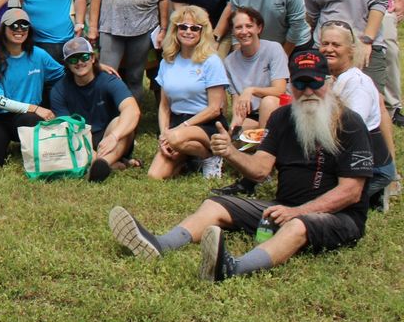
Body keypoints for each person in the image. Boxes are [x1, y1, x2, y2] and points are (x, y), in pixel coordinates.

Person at [109, 49, 374, 283]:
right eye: (301, 83)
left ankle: (233, 268)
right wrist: (231, 152)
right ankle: (160, 244)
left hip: (339, 217)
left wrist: (299, 212)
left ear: (328, 82)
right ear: (291, 86)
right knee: (215, 204)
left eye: (315, 83)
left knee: (298, 226)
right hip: (283, 206)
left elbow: (350, 192)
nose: (308, 91)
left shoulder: (349, 124)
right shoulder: (282, 118)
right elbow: (260, 170)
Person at [211, 6, 290, 198]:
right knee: (236, 136)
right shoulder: (230, 61)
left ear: (259, 28)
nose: (244, 31)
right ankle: (254, 170)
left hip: (281, 112)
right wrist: (236, 122)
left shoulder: (273, 49)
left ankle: (263, 168)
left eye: (249, 26)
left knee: (269, 101)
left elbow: (279, 89)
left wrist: (252, 90)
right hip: (254, 116)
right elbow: (238, 100)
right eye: (238, 27)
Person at [317, 21, 397, 210]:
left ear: (351, 50)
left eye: (336, 45)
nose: (329, 49)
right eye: (325, 43)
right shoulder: (333, 78)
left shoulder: (357, 84)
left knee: (319, 201)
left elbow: (350, 131)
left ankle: (374, 191)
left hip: (373, 167)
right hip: (346, 160)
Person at [0, 8, 64, 167]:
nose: (19, 30)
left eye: (24, 26)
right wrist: (35, 108)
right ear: (3, 29)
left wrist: (96, 67)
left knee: (31, 119)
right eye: (13, 26)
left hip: (26, 117)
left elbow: (65, 74)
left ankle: (27, 146)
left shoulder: (39, 54)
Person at [149, 6, 227, 180]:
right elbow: (164, 106)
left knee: (176, 138)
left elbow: (215, 109)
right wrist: (164, 135)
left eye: (194, 28)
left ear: (202, 31)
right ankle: (190, 158)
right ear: (175, 30)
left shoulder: (211, 61)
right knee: (155, 175)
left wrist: (179, 130)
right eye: (183, 27)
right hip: (178, 122)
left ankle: (211, 157)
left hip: (207, 123)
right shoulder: (167, 61)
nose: (188, 31)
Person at [50, 36, 141, 182]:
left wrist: (114, 136)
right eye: (73, 59)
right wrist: (89, 152)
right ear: (67, 64)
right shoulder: (59, 90)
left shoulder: (109, 80)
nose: (79, 62)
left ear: (92, 58)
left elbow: (133, 110)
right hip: (80, 138)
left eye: (84, 57)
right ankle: (108, 163)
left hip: (108, 136)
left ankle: (101, 164)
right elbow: (66, 129)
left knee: (121, 122)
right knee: (68, 137)